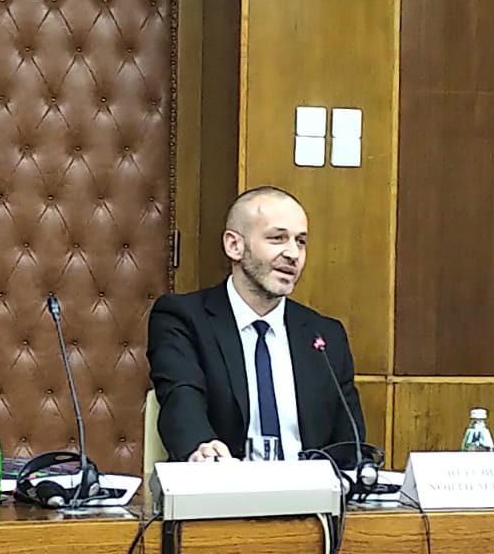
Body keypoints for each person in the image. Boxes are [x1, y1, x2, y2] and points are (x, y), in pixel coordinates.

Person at [147, 186, 364, 462]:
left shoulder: (324, 335)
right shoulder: (184, 319)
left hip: (310, 488)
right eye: (277, 238)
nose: (293, 254)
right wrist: (201, 448)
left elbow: (350, 443)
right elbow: (181, 398)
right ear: (234, 246)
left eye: (300, 242)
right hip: (224, 484)